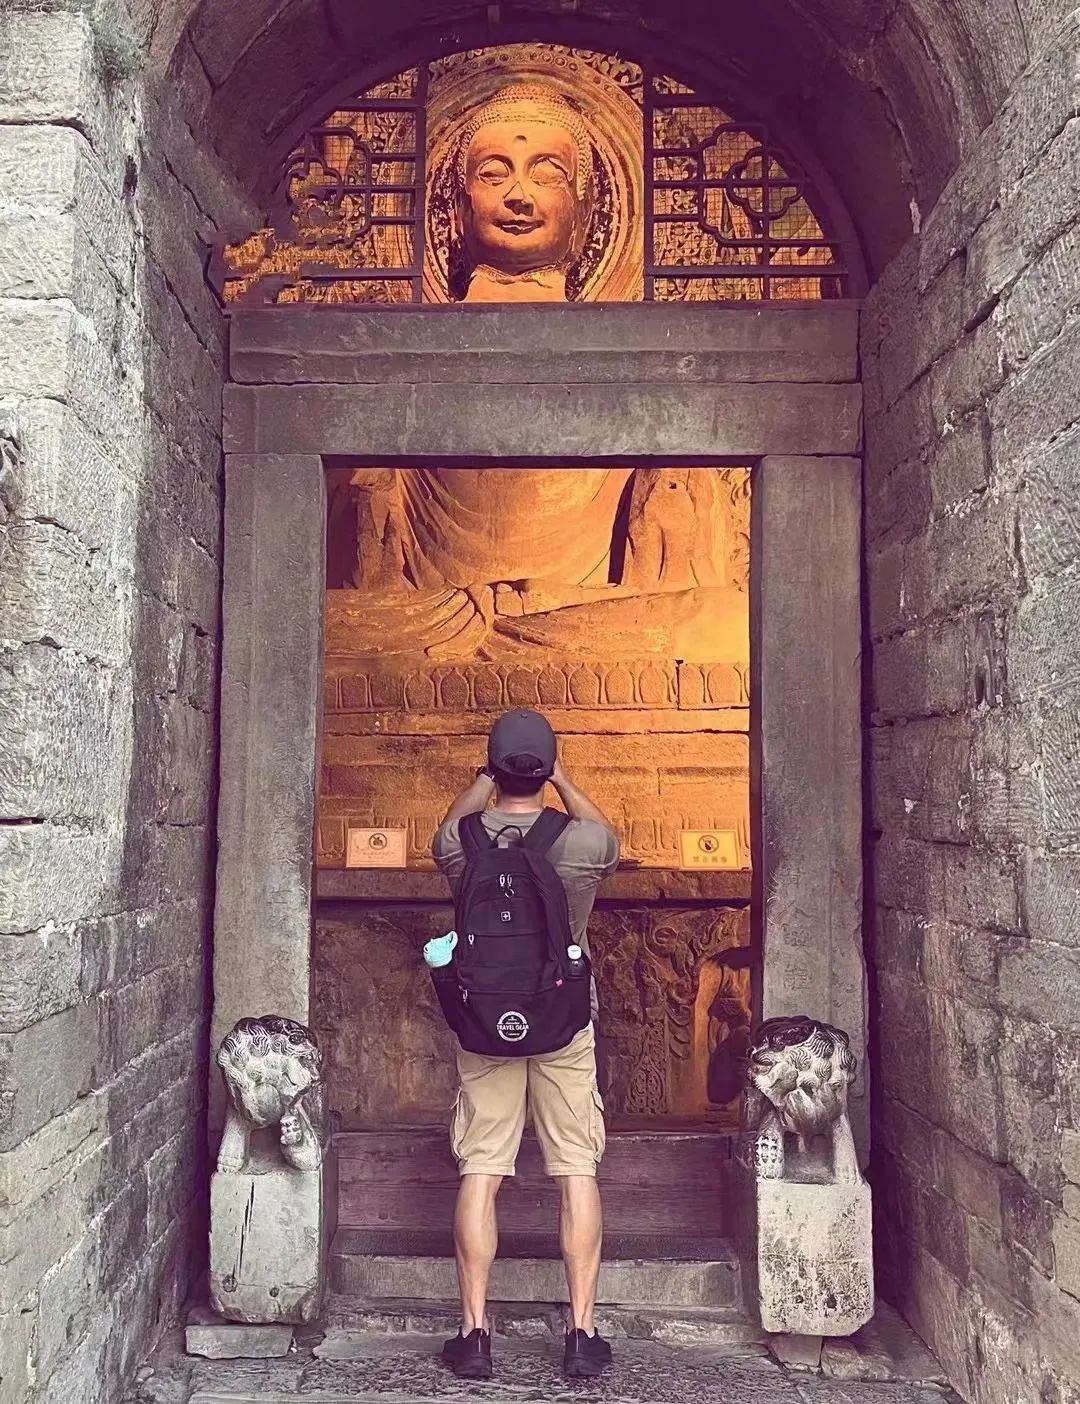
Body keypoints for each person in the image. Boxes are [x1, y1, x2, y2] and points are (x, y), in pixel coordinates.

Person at [431, 707, 620, 1380]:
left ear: (494, 766)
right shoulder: (582, 845)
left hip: (486, 1022)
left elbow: (446, 829)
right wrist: (564, 782)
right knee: (576, 1167)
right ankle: (581, 1333)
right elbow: (608, 836)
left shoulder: (461, 844)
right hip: (563, 1019)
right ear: (545, 767)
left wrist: (482, 781)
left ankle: (474, 1334)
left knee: (482, 1168)